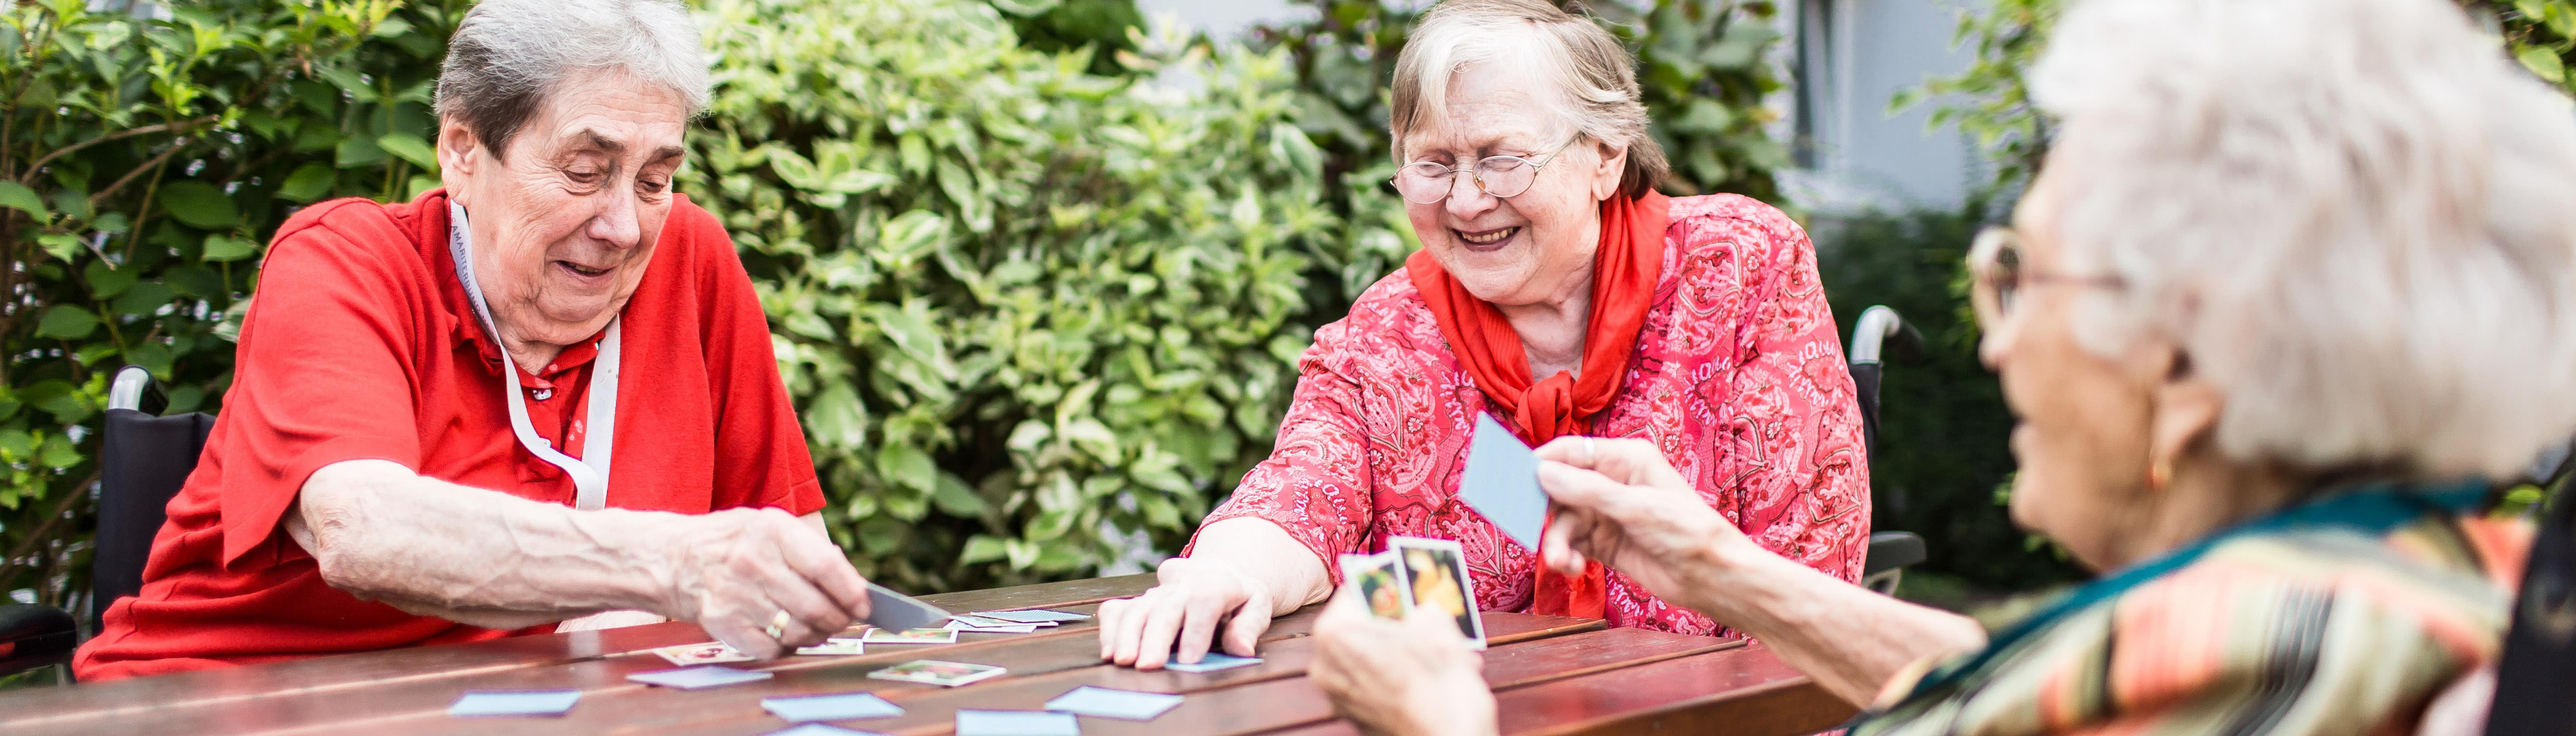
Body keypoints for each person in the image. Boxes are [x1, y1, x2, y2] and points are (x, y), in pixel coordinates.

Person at [1303, 0, 2576, 733]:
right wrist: (1711, 564)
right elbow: (2014, 679)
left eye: (2023, 276)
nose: (1999, 336)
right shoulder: (2393, 596)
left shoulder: (2272, 660)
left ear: (2189, 365)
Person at [72, 0, 872, 680]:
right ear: (461, 150)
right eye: (586, 171)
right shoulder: (342, 261)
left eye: (655, 179)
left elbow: (792, 553)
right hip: (226, 701)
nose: (625, 226)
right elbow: (362, 531)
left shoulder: (689, 259)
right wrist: (678, 564)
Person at [1097, 0, 1871, 670]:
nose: (1466, 201)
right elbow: (1303, 490)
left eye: (1501, 158)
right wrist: (1228, 572)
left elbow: (1811, 567)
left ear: (1604, 155)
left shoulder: (1737, 266)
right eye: (1432, 163)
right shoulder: (1390, 328)